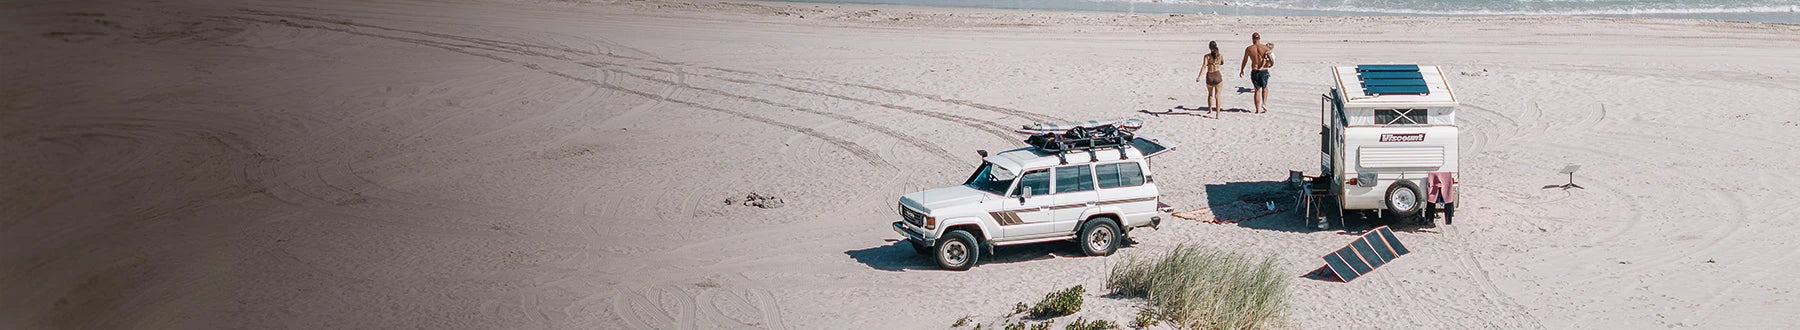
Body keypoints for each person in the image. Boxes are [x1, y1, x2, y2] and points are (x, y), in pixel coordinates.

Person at [1239, 32, 1274, 114]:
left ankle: (1257, 109)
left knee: (1257, 90)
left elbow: (1245, 60)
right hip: (1264, 70)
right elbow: (1271, 59)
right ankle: (1264, 103)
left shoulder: (1249, 48)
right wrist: (1270, 65)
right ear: (1259, 39)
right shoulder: (1265, 48)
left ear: (1252, 39)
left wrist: (1242, 69)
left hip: (1255, 70)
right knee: (1265, 88)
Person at [1195, 41, 1225, 119]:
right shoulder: (1220, 55)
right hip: (1217, 75)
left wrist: (1199, 77)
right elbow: (1222, 63)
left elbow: (1204, 66)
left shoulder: (1206, 56)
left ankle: (1210, 109)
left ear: (1209, 47)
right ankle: (1218, 114)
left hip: (1210, 75)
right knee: (1217, 95)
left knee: (1210, 94)